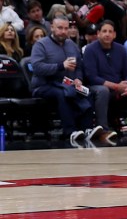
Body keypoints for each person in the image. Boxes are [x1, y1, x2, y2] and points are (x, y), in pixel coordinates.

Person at [29, 14, 100, 145]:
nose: (63, 31)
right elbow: (37, 67)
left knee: (87, 92)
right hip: (44, 85)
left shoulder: (72, 45)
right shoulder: (41, 45)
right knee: (62, 94)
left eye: (66, 28)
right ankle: (70, 131)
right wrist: (61, 66)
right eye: (60, 28)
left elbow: (78, 66)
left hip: (67, 83)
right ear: (52, 28)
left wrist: (78, 79)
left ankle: (87, 128)